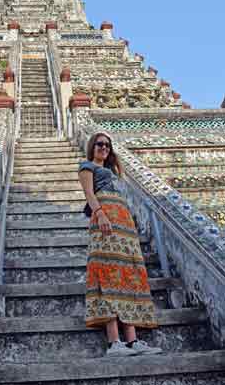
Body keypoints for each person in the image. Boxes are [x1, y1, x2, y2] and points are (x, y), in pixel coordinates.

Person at [78, 132, 162, 356]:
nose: (104, 148)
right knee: (108, 272)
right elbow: (89, 193)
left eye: (107, 145)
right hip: (105, 220)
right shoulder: (87, 167)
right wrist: (100, 214)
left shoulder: (115, 172)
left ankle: (133, 340)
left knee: (129, 274)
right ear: (92, 147)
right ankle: (114, 342)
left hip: (124, 225)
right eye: (99, 144)